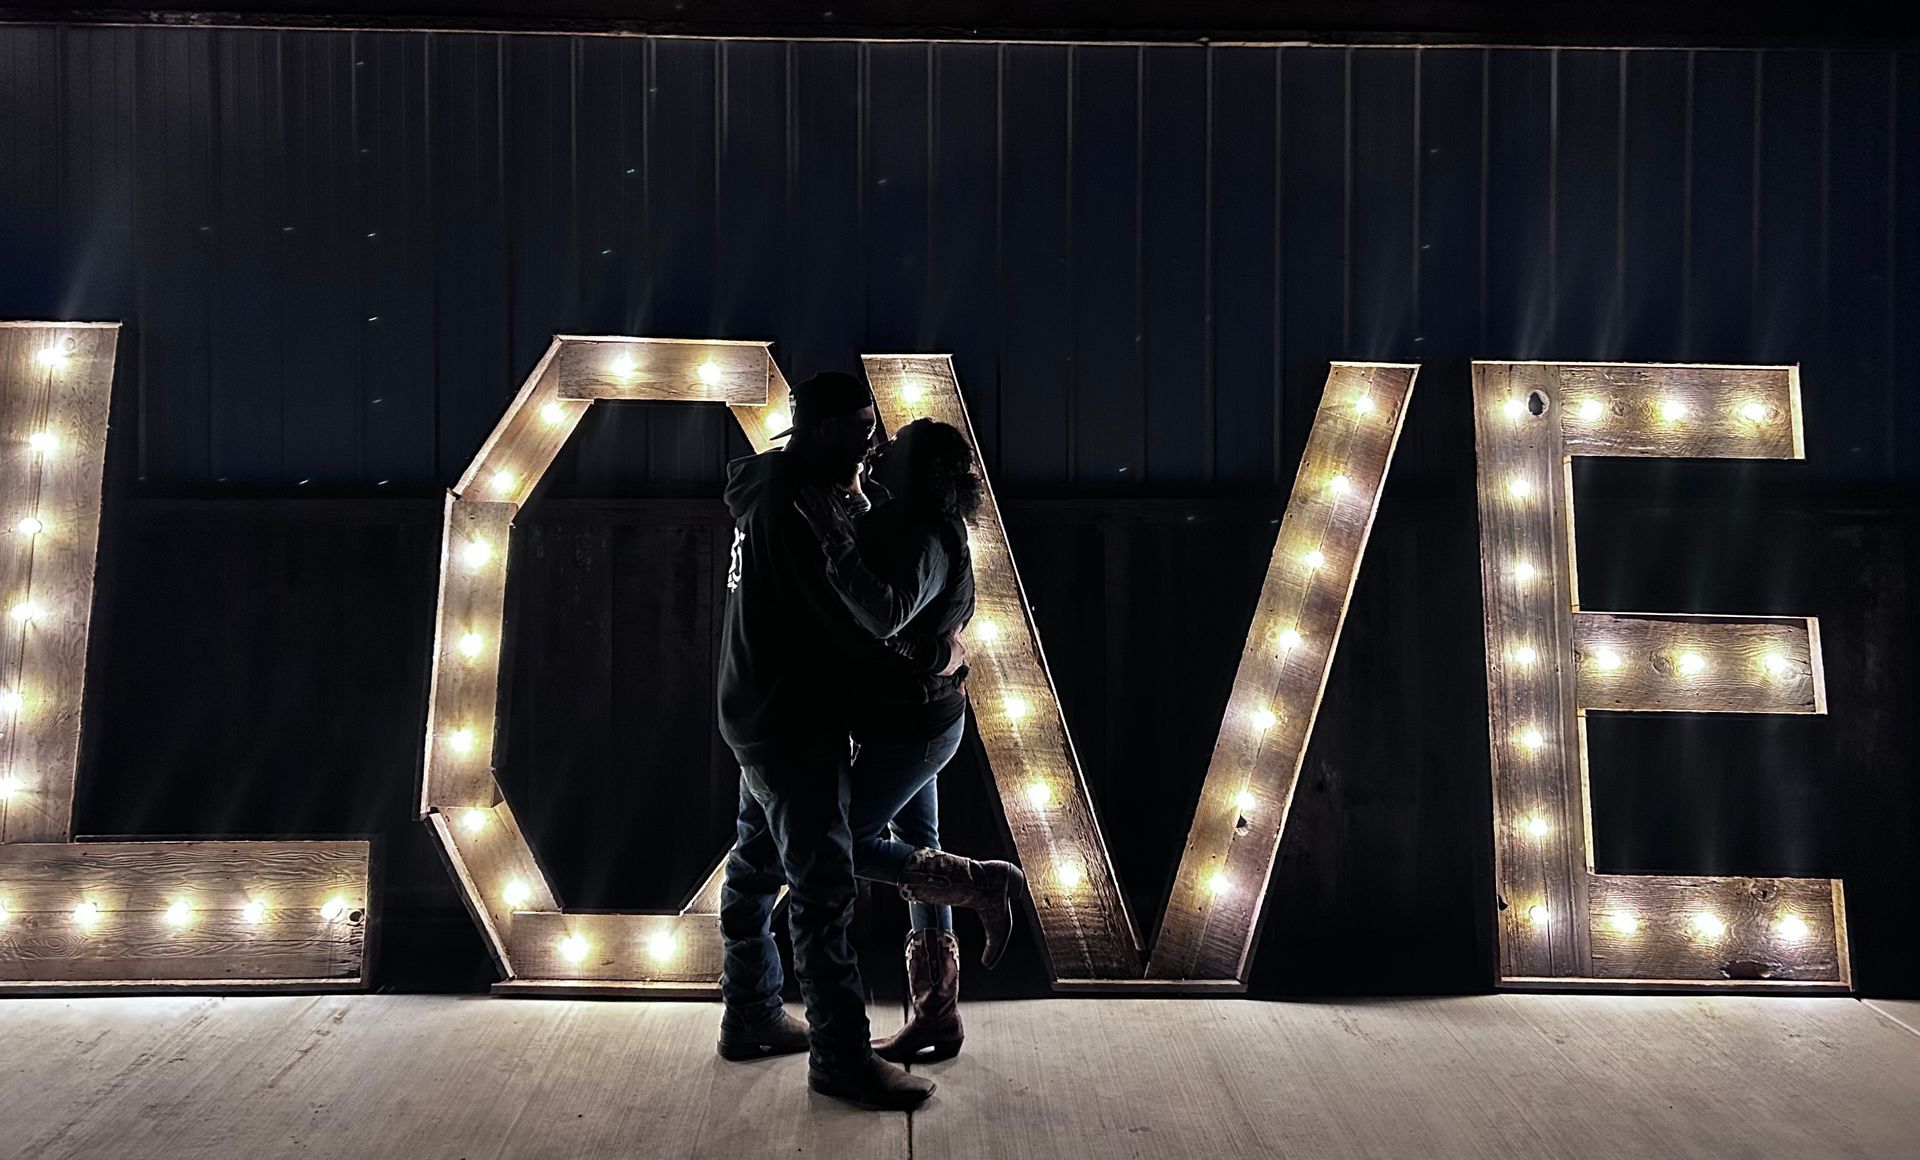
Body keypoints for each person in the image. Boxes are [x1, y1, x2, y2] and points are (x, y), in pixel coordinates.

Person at [714, 371, 951, 1111]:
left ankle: (751, 1011)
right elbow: (850, 628)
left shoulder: (770, 485)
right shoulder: (803, 509)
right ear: (824, 433)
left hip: (752, 706)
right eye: (862, 431)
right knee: (823, 891)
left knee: (755, 868)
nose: (873, 447)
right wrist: (931, 661)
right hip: (794, 720)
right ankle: (840, 1058)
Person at [793, 418, 1023, 1064]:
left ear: (920, 472)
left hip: (914, 731)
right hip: (916, 722)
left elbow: (886, 614)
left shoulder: (926, 537)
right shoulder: (912, 522)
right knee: (921, 846)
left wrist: (835, 542)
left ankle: (979, 884)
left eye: (896, 448)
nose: (880, 450)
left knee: (841, 840)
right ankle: (938, 1016)